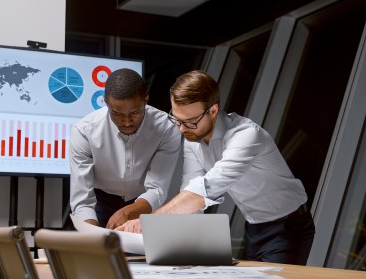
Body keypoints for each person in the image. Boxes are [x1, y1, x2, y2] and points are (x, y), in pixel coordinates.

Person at [117, 70, 315, 265]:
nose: (182, 129)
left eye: (190, 122)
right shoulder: (192, 140)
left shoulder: (246, 136)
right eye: (177, 119)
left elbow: (206, 189)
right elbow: (190, 191)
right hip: (253, 227)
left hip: (288, 227)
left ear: (213, 111)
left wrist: (149, 222)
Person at [70, 68, 181, 229]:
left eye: (135, 112)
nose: (127, 122)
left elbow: (157, 188)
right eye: (117, 113)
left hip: (144, 202)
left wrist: (128, 213)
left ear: (146, 100)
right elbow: (83, 201)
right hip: (100, 200)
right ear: (105, 102)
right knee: (97, 249)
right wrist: (92, 235)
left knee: (144, 252)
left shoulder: (167, 129)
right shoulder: (84, 131)